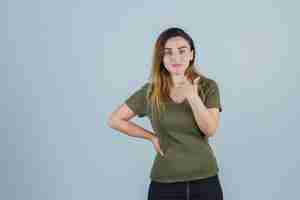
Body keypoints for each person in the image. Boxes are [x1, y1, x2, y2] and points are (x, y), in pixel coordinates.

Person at [107, 27, 224, 200]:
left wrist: (192, 96)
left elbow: (210, 130)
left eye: (182, 51)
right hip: (165, 183)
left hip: (205, 180)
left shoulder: (208, 86)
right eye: (168, 52)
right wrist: (151, 137)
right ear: (161, 58)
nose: (176, 58)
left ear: (191, 54)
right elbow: (115, 120)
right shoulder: (150, 91)